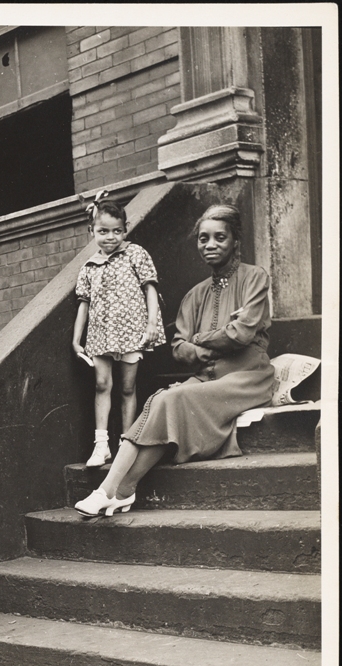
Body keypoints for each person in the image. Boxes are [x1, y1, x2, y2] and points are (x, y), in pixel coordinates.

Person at [75, 204, 276, 517]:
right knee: (160, 400)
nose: (210, 245)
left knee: (175, 396)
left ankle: (114, 489)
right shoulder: (194, 294)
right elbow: (179, 349)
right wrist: (213, 339)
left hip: (247, 377)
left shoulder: (255, 278)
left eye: (219, 237)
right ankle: (116, 491)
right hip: (206, 379)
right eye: (203, 239)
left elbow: (241, 334)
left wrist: (200, 339)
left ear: (235, 240)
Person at [72, 195, 166, 467]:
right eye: (103, 231)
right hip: (101, 334)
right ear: (92, 232)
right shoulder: (89, 266)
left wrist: (151, 323)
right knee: (102, 385)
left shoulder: (135, 254)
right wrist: (77, 339)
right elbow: (84, 304)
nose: (110, 237)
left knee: (127, 387)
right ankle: (101, 445)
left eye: (116, 231)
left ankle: (127, 443)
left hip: (130, 332)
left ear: (125, 229)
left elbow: (150, 288)